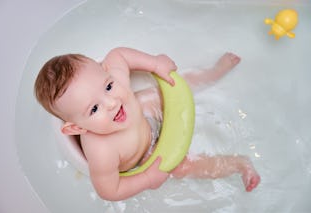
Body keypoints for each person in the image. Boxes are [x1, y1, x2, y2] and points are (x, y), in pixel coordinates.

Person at [34, 47, 260, 201]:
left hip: (142, 115)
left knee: (173, 85)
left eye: (108, 87)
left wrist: (155, 64)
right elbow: (109, 190)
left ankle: (213, 74)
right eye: (94, 109)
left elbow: (118, 54)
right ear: (77, 128)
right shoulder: (102, 152)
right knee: (184, 166)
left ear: (106, 74)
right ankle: (239, 164)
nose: (112, 102)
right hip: (145, 155)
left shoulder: (115, 86)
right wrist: (147, 179)